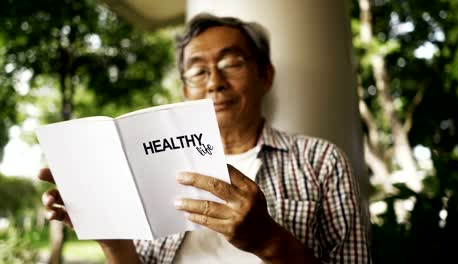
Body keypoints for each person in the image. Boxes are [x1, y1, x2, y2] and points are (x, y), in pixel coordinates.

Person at [39, 13, 371, 264]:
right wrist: (112, 241)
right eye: (198, 71)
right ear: (186, 91)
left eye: (231, 62)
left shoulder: (320, 160)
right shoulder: (151, 169)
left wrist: (270, 241)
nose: (215, 82)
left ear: (265, 75)